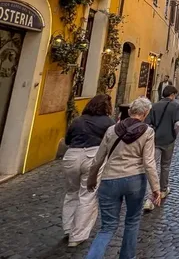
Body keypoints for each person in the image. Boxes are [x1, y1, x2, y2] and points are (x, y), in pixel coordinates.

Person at [85, 97, 160, 259]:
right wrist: (155, 188)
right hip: (135, 180)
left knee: (107, 227)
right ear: (145, 113)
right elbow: (149, 162)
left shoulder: (112, 130)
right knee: (132, 222)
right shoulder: (147, 132)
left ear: (131, 111)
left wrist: (91, 179)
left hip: (109, 179)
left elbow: (98, 159)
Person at [62, 94, 115, 248]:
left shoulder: (78, 120)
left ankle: (67, 228)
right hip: (93, 156)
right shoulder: (108, 122)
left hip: (72, 156)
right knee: (87, 195)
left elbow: (67, 140)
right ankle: (77, 235)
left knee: (71, 192)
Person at [142, 85, 179, 211]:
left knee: (152, 167)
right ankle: (163, 189)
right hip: (168, 140)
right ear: (171, 95)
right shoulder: (176, 106)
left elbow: (147, 124)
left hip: (154, 140)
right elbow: (178, 124)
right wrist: (173, 135)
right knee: (165, 165)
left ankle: (149, 198)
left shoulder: (154, 106)